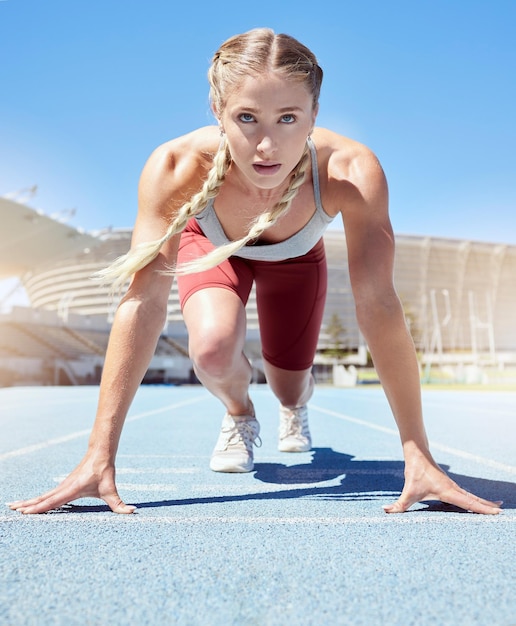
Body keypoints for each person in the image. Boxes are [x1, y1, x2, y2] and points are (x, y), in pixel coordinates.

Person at [8, 27, 501, 515]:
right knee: (213, 350)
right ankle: (240, 413)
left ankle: (293, 406)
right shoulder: (177, 167)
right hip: (214, 250)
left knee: (289, 385)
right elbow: (144, 302)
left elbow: (379, 303)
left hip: (297, 260)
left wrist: (418, 454)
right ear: (218, 114)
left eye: (288, 118)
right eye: (247, 117)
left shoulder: (349, 171)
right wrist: (98, 456)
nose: (267, 145)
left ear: (314, 115)